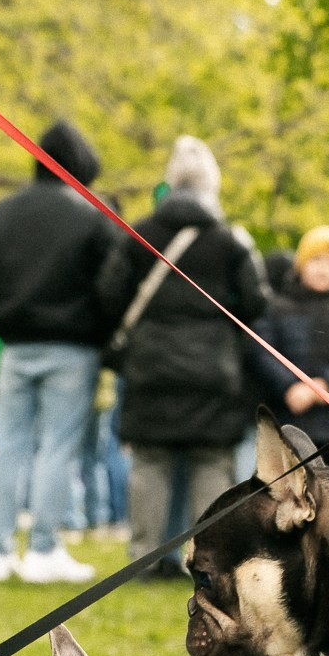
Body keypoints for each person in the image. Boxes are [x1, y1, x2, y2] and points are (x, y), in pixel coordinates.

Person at [96, 136, 266, 575]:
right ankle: (207, 563)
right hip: (213, 369)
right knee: (211, 462)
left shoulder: (140, 234)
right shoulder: (230, 240)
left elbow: (109, 294)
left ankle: (145, 557)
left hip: (150, 365)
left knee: (150, 461)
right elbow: (255, 302)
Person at [0, 119, 115, 584]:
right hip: (73, 348)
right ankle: (43, 549)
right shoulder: (92, 217)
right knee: (58, 448)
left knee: (6, 446)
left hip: (14, 344)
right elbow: (111, 285)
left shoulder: (0, 214)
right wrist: (101, 333)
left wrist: (3, 320)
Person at [251, 225, 329, 463]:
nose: (323, 268)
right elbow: (261, 352)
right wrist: (289, 387)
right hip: (286, 425)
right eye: (316, 260)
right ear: (301, 264)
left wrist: (323, 387)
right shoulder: (277, 309)